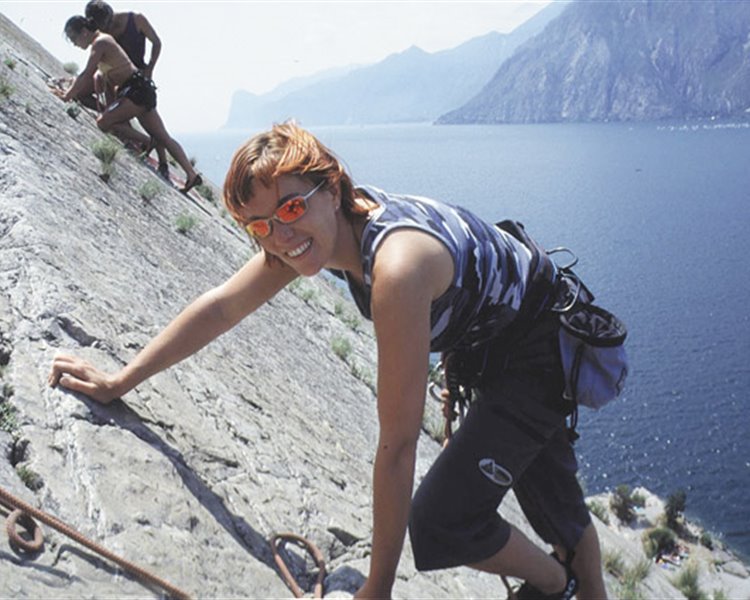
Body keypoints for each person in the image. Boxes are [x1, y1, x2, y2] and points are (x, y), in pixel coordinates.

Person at [48, 122, 609, 599]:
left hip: (537, 353)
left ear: (332, 188)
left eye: (292, 207)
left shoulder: (396, 267)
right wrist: (120, 380)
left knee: (441, 524)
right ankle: (565, 580)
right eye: (260, 226)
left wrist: (377, 589)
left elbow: (397, 445)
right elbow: (221, 309)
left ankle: (558, 587)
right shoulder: (315, 233)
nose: (282, 234)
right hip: (503, 340)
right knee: (559, 508)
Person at [56, 15, 202, 194]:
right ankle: (191, 173)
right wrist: (72, 86)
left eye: (74, 38)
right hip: (141, 90)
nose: (74, 43)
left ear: (85, 32)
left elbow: (87, 73)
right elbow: (97, 76)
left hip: (135, 92)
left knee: (103, 122)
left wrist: (67, 96)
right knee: (164, 137)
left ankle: (149, 142)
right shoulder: (104, 41)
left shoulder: (100, 43)